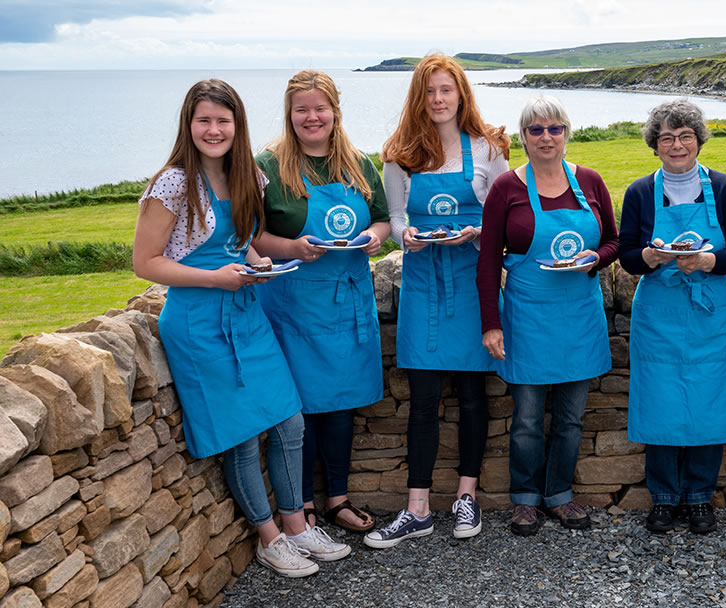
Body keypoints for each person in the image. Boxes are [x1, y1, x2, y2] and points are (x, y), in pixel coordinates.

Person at [132, 79, 348, 578]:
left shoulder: (249, 174)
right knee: (244, 436)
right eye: (204, 120)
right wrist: (215, 278)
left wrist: (260, 265)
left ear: (238, 125)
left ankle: (297, 525)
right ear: (189, 124)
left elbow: (242, 243)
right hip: (198, 322)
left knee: (290, 421)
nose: (214, 130)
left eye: (223, 121)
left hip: (247, 312)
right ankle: (269, 537)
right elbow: (145, 263)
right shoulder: (171, 184)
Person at [363, 56, 510, 549]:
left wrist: (478, 232)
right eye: (430, 92)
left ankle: (466, 497)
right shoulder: (399, 154)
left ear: (461, 94)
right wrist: (411, 238)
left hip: (472, 285)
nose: (439, 100)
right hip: (424, 285)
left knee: (473, 397)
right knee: (423, 402)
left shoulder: (489, 149)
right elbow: (398, 220)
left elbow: (505, 219)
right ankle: (417, 508)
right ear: (418, 98)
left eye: (447, 90)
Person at [252, 70, 389, 536]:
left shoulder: (357, 162)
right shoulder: (268, 166)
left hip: (347, 302)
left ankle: (338, 498)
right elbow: (249, 236)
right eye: (301, 109)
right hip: (294, 305)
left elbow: (385, 220)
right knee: (303, 406)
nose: (312, 117)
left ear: (335, 111)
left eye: (320, 108)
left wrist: (374, 237)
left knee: (341, 404)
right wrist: (293, 248)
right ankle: (302, 504)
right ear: (290, 114)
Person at [477, 95, 619, 536]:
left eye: (554, 128)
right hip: (528, 316)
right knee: (526, 421)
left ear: (566, 133)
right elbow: (487, 262)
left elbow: (614, 241)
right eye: (536, 130)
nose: (546, 137)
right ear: (523, 137)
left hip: (579, 315)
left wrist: (594, 257)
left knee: (572, 417)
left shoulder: (590, 181)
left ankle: (559, 495)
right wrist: (491, 323)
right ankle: (524, 500)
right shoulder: (508, 189)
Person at [617, 100, 726, 535]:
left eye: (686, 136)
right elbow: (627, 257)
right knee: (660, 401)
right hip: (659, 311)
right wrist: (650, 256)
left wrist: (709, 261)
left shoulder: (725, 187)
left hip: (711, 309)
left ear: (699, 140)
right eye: (667, 137)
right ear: (655, 145)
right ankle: (662, 497)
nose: (677, 144)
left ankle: (698, 496)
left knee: (709, 401)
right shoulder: (639, 192)